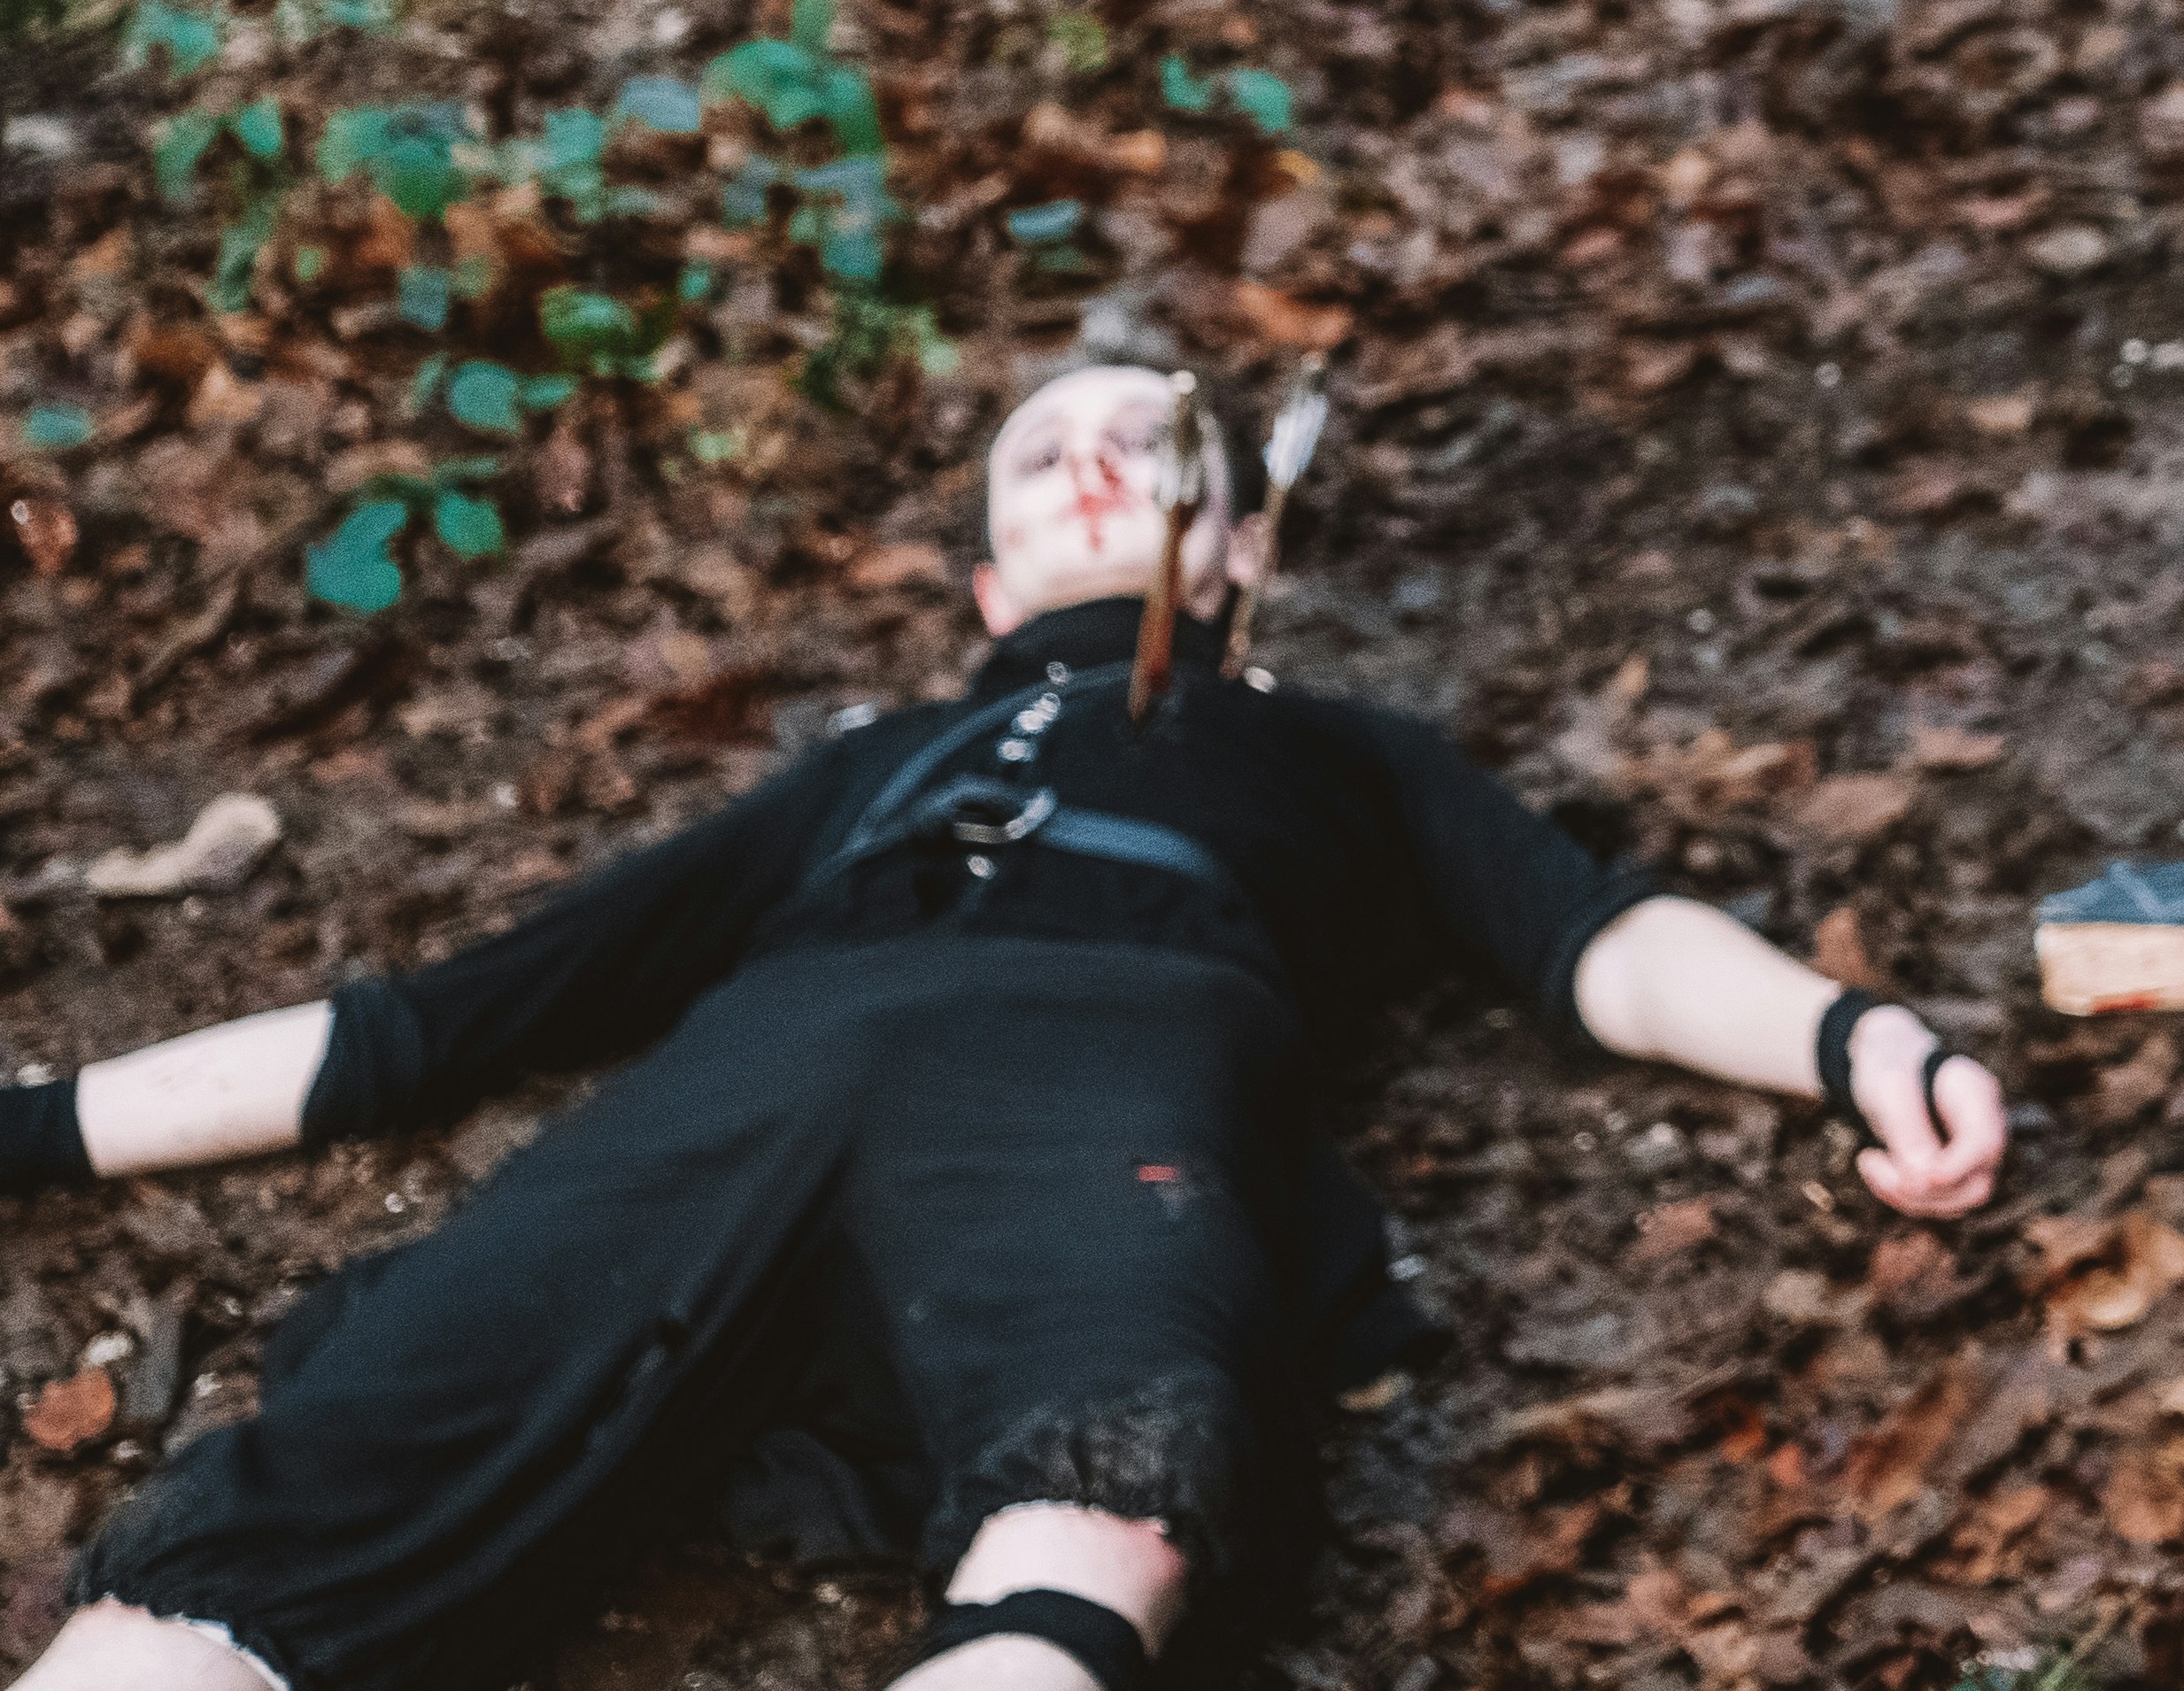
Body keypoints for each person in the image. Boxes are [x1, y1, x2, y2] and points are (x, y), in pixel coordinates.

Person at [0, 366, 2009, 1691]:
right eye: (1043, 455)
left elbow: (1597, 941)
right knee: (288, 1497)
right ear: (984, 575)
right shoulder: (872, 766)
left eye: (1149, 444)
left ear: (1235, 550)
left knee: (1110, 1480)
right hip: (755, 1066)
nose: (1098, 461)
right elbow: (439, 1023)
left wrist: (1857, 1043)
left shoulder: (1325, 745)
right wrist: (31, 1128)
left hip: (1111, 1063)